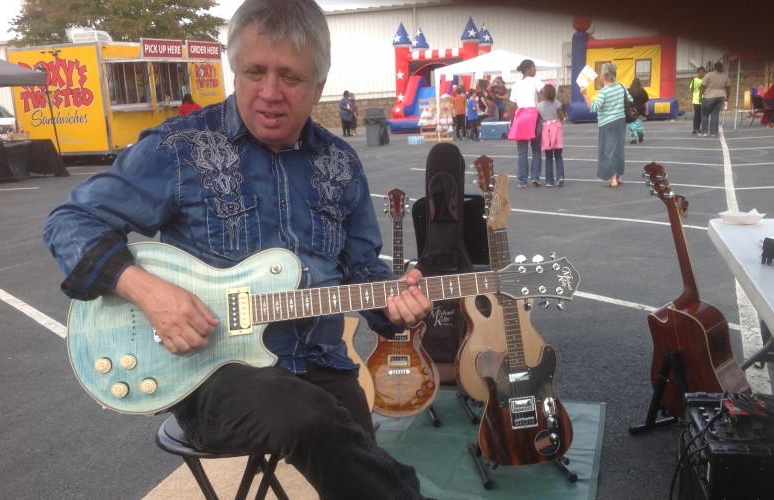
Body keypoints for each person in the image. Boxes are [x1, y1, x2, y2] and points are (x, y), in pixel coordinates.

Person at [42, 1, 433, 499]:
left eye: (289, 77)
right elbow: (69, 222)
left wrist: (395, 302)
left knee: (351, 448)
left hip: (319, 364)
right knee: (310, 419)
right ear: (235, 69)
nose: (269, 93)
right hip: (212, 375)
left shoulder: (340, 163)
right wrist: (146, 290)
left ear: (319, 84)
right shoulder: (180, 148)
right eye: (254, 72)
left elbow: (359, 268)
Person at [580, 62, 629, 188]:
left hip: (607, 123)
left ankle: (612, 179)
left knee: (607, 150)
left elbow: (594, 108)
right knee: (619, 149)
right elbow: (630, 100)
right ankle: (618, 176)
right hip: (621, 120)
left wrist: (585, 95)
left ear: (604, 76)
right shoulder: (621, 87)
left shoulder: (604, 92)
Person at [508, 59, 545, 188]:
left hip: (520, 117)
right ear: (528, 69)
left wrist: (512, 122)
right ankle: (535, 177)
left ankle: (522, 181)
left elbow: (512, 106)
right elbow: (546, 92)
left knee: (522, 151)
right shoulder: (535, 81)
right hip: (533, 116)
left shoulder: (516, 85)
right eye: (534, 68)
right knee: (536, 149)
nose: (535, 70)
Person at [537, 83, 564, 187]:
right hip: (556, 128)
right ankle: (560, 176)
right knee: (558, 155)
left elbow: (539, 117)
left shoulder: (539, 106)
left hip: (546, 129)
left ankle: (549, 180)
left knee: (548, 156)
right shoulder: (557, 103)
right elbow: (561, 116)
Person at [698, 61, 730, 137]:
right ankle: (714, 132)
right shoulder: (725, 76)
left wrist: (700, 96)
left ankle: (704, 132)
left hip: (709, 96)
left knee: (704, 114)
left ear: (714, 67)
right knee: (715, 114)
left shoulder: (709, 75)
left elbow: (703, 86)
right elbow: (728, 87)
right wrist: (727, 97)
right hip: (720, 97)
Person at [626, 78, 649, 144]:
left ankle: (634, 139)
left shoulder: (629, 91)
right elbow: (646, 102)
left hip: (632, 110)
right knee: (639, 122)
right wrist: (646, 109)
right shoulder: (642, 91)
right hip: (641, 109)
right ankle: (640, 133)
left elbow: (626, 101)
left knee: (631, 124)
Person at [690, 66, 706, 134]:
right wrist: (693, 82)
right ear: (698, 72)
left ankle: (703, 128)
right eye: (700, 72)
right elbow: (691, 89)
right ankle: (696, 129)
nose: (701, 73)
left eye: (702, 72)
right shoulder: (695, 80)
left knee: (703, 114)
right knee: (697, 114)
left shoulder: (706, 80)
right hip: (696, 99)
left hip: (704, 99)